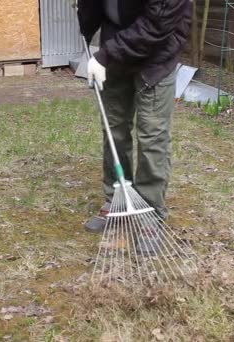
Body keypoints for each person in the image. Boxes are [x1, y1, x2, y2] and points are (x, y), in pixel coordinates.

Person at [78, 0, 192, 232]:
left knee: (152, 133)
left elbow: (158, 24)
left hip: (159, 50)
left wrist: (104, 56)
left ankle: (150, 209)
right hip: (116, 45)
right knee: (114, 128)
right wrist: (86, 30)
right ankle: (116, 198)